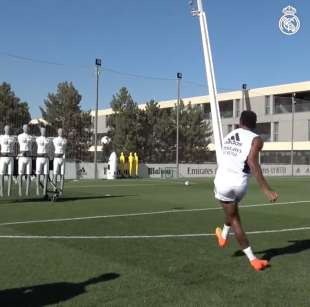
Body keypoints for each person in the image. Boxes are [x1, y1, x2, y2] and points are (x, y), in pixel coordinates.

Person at [214, 110, 278, 272]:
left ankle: (253, 259)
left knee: (233, 217)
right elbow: (252, 161)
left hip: (222, 181)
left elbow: (230, 158)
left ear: (240, 121)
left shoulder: (229, 135)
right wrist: (266, 189)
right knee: (232, 213)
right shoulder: (257, 140)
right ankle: (223, 236)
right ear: (254, 124)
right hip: (240, 184)